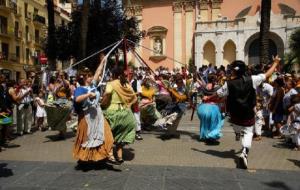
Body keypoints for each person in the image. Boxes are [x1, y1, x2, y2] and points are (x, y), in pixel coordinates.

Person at [203, 56, 280, 169]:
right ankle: (244, 152)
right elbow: (267, 74)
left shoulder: (228, 84)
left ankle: (239, 135)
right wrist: (276, 62)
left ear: (233, 70)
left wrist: (207, 98)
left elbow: (217, 95)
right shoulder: (252, 79)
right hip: (248, 113)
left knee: (239, 129)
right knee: (249, 133)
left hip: (234, 115)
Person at [73, 57, 114, 164]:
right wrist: (88, 95)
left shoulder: (93, 85)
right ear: (84, 78)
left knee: (106, 133)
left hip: (98, 114)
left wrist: (103, 61)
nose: (92, 78)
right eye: (89, 76)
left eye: (91, 76)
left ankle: (109, 154)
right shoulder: (80, 89)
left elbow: (98, 72)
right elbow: (77, 99)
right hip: (86, 116)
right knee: (88, 138)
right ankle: (87, 158)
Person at [102, 67, 137, 163]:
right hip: (126, 113)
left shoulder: (111, 84)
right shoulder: (126, 84)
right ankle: (120, 157)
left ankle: (110, 156)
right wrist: (128, 104)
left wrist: (103, 101)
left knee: (107, 134)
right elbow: (134, 97)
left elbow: (108, 93)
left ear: (113, 75)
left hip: (112, 112)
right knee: (120, 135)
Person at [197, 74, 224, 144]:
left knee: (204, 123)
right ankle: (211, 137)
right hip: (213, 107)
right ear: (215, 79)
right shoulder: (218, 87)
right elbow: (221, 97)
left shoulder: (204, 87)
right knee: (215, 123)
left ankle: (204, 136)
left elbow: (201, 96)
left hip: (202, 107)